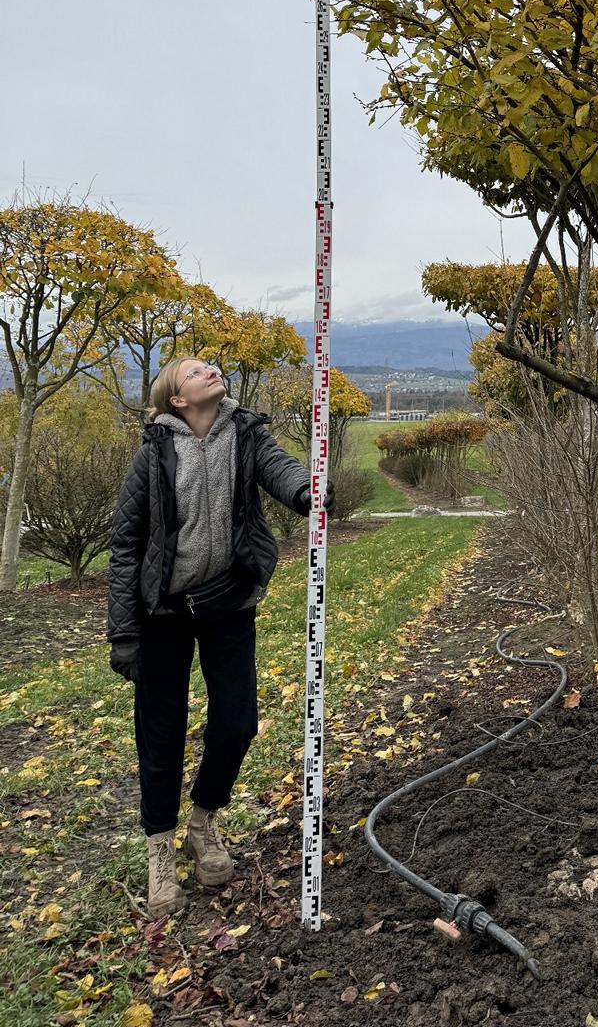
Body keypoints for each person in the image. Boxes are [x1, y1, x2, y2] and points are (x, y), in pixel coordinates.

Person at [106, 355, 332, 918]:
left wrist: (308, 490)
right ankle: (160, 849)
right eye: (193, 370)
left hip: (227, 602)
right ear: (176, 400)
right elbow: (125, 546)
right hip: (161, 612)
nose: (208, 369)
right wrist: (124, 632)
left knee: (237, 722)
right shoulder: (153, 456)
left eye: (210, 365)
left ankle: (203, 821)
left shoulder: (246, 433)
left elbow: (280, 470)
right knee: (161, 733)